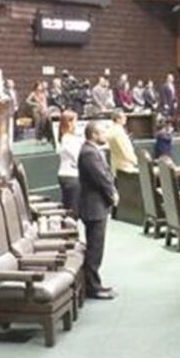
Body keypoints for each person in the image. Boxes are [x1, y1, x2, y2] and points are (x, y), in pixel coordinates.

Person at [78, 121, 118, 300]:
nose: (105, 135)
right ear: (93, 134)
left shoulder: (92, 150)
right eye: (102, 132)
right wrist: (112, 194)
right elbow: (101, 177)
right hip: (93, 207)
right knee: (95, 249)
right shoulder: (88, 153)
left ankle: (95, 284)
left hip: (97, 205)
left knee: (97, 248)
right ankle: (92, 287)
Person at [56, 110, 83, 214]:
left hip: (68, 175)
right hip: (71, 176)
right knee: (73, 210)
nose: (77, 124)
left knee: (70, 207)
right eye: (75, 121)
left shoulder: (67, 138)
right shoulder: (68, 139)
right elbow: (78, 158)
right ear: (69, 123)